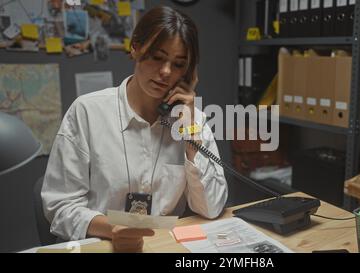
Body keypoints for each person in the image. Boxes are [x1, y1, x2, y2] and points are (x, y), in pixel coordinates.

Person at [41, 6, 228, 253]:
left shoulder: (193, 121)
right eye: (157, 57)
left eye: (178, 64)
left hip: (162, 247)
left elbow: (212, 207)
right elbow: (60, 207)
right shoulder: (87, 112)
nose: (165, 72)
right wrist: (112, 229)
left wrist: (191, 137)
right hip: (102, 245)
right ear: (135, 48)